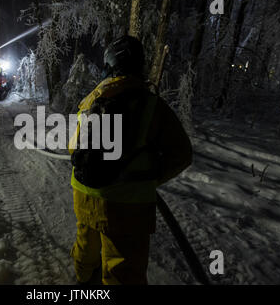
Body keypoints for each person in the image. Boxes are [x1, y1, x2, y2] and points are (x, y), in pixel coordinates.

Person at [69, 35, 193, 285]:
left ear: (109, 66)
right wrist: (149, 176)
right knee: (122, 266)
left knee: (86, 242)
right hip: (125, 203)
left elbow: (74, 148)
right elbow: (181, 155)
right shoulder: (152, 105)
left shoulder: (91, 99)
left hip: (84, 191)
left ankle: (83, 281)